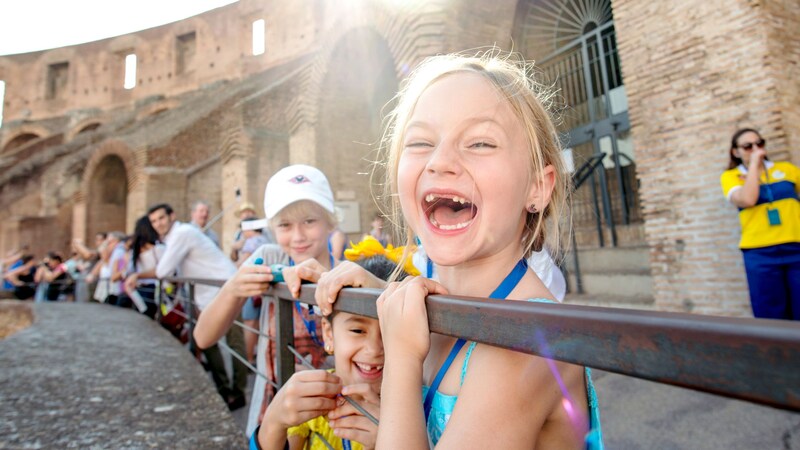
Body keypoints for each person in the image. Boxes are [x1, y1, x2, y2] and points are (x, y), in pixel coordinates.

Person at [313, 52, 602, 448]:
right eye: (420, 142)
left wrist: (401, 360)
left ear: (538, 186)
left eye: (481, 142)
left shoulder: (526, 342)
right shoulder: (430, 306)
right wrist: (376, 292)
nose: (441, 161)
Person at [194, 164, 340, 438]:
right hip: (274, 418)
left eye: (309, 221)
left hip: (333, 421)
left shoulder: (345, 274)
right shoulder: (270, 259)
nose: (297, 236)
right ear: (273, 227)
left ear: (330, 221)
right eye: (285, 225)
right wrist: (233, 289)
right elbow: (203, 337)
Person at [128, 203, 247, 410]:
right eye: (154, 221)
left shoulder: (183, 233)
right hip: (208, 296)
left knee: (234, 343)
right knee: (208, 342)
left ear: (172, 216)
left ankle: (237, 392)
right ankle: (225, 390)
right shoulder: (176, 237)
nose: (158, 224)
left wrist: (137, 275)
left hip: (227, 290)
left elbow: (164, 270)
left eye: (161, 219)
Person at [720, 128, 800, 320]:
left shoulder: (787, 169)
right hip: (760, 252)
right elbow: (748, 199)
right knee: (770, 313)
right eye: (748, 146)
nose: (756, 149)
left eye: (759, 143)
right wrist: (754, 165)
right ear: (736, 152)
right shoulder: (731, 176)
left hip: (795, 247)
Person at [238, 216, 272, 363]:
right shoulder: (266, 239)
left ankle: (249, 359)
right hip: (267, 288)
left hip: (253, 287)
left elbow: (242, 265)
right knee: (259, 322)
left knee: (249, 323)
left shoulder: (251, 242)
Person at [124, 215, 165, 318]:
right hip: (155, 290)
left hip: (139, 291)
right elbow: (164, 270)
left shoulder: (134, 252)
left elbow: (128, 270)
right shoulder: (158, 249)